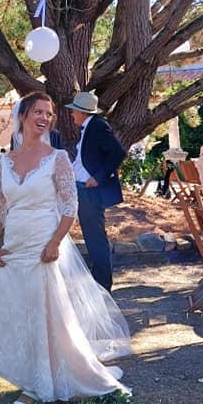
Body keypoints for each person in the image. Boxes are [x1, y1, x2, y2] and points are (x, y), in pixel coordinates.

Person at [0, 92, 131, 404]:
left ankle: (36, 387)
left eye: (49, 114)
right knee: (19, 311)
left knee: (43, 312)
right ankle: (29, 374)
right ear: (22, 115)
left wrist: (54, 243)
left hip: (43, 245)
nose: (44, 118)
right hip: (13, 247)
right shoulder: (3, 161)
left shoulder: (58, 158)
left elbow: (69, 206)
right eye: (38, 111)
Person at [65, 90, 126, 291]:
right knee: (92, 237)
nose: (72, 114)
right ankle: (99, 279)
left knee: (95, 238)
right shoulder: (89, 127)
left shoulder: (98, 125)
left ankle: (102, 284)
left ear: (82, 112)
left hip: (90, 191)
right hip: (83, 189)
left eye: (74, 111)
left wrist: (98, 177)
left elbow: (118, 152)